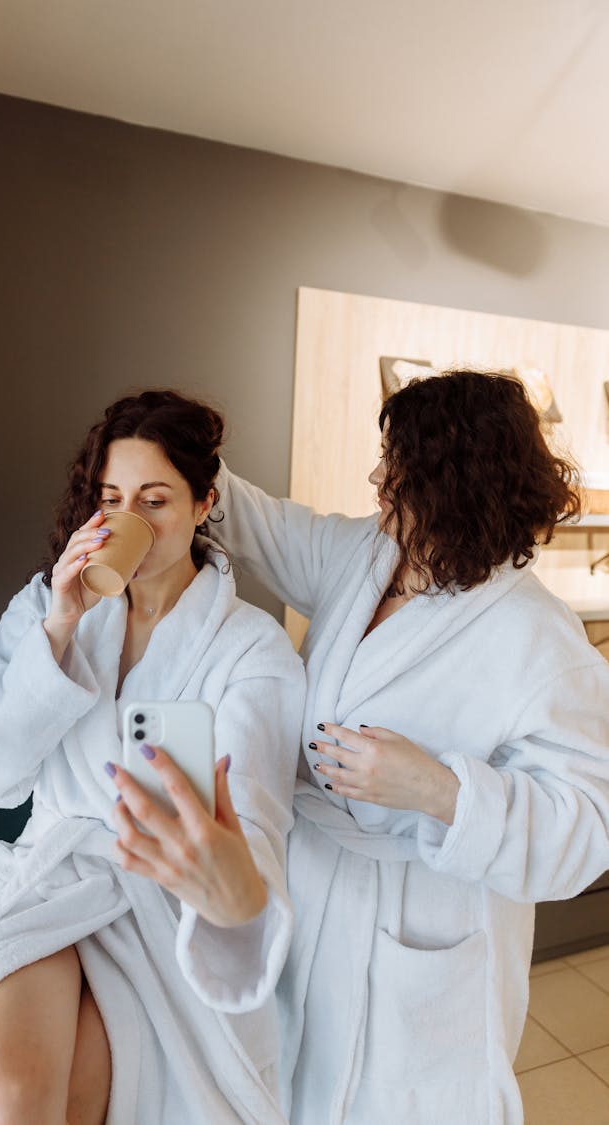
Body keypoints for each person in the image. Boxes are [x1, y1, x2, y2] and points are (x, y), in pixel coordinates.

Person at [0, 390, 305, 1125]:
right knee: (6, 1092)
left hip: (158, 905)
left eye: (155, 499)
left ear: (205, 503)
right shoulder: (52, 604)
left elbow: (254, 820)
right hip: (46, 882)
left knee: (82, 1099)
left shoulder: (250, 649)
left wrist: (236, 885)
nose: (129, 519)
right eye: (112, 499)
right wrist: (59, 628)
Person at [209, 370, 609, 1125]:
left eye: (399, 466)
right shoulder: (366, 553)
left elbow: (587, 826)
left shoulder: (534, 634)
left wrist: (439, 791)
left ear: (458, 483)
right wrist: (190, 459)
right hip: (312, 889)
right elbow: (264, 527)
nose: (377, 478)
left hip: (423, 918)